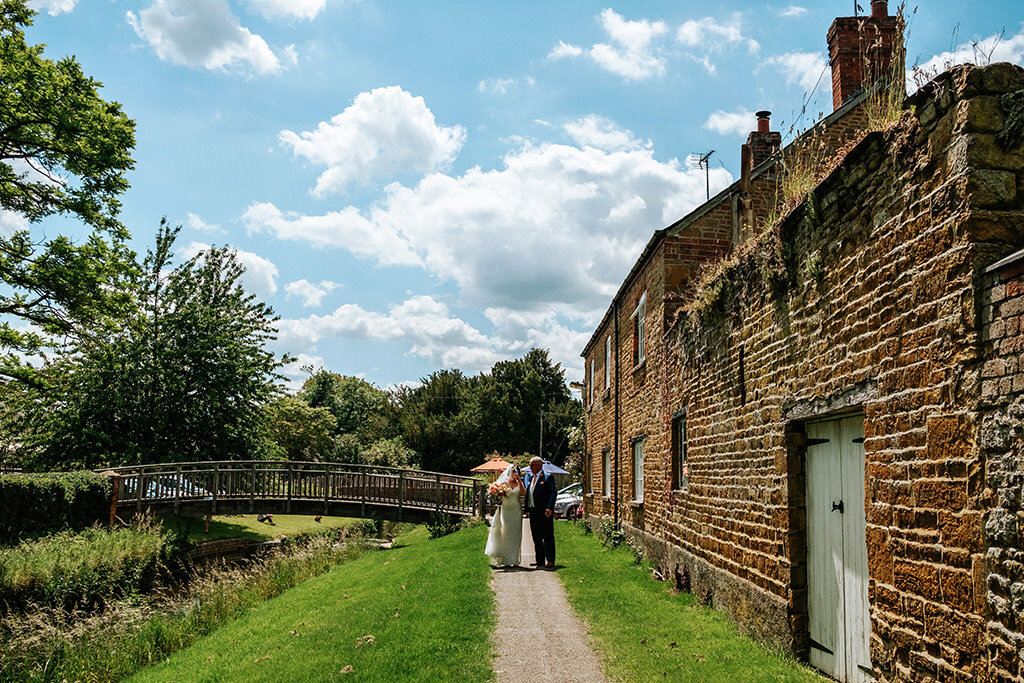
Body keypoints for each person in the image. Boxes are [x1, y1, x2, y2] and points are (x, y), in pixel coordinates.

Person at [484, 464, 525, 567]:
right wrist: (498, 493)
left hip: (516, 510)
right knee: (505, 533)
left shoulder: (519, 483)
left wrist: (519, 480)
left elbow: (523, 493)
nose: (514, 474)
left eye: (516, 472)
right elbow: (497, 494)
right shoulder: (503, 483)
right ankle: (505, 558)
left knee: (516, 534)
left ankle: (514, 559)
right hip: (506, 510)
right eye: (513, 472)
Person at [523, 456, 557, 568]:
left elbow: (553, 492)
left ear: (539, 465)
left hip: (544, 511)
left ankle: (550, 559)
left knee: (547, 536)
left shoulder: (547, 477)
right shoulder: (529, 477)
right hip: (533, 511)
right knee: (536, 536)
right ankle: (540, 560)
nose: (530, 467)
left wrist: (549, 507)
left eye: (532, 465)